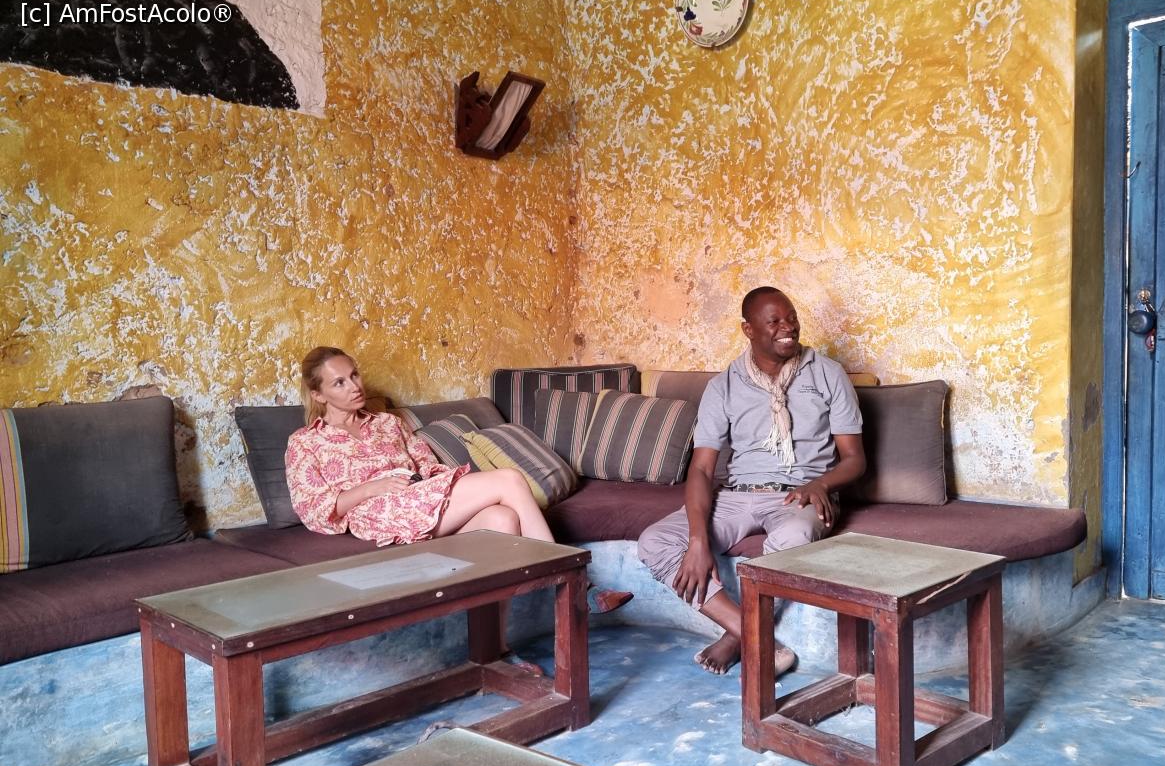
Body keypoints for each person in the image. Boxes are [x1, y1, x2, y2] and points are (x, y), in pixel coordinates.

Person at [285, 346, 631, 613]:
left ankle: (497, 648)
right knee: (509, 480)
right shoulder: (306, 442)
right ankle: (575, 589)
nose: (354, 386)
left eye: (354, 375)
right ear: (318, 395)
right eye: (339, 382)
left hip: (418, 497)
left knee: (502, 519)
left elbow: (426, 464)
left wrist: (420, 480)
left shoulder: (387, 423)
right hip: (379, 514)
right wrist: (371, 488)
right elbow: (313, 510)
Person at [638, 288, 866, 675]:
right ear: (748, 329)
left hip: (800, 496)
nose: (787, 327)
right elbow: (701, 470)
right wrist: (697, 541)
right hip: (737, 495)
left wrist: (822, 485)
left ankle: (736, 636)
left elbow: (855, 459)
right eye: (774, 321)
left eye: (791, 318)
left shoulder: (827, 373)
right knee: (655, 540)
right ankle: (754, 634)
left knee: (794, 537)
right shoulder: (724, 385)